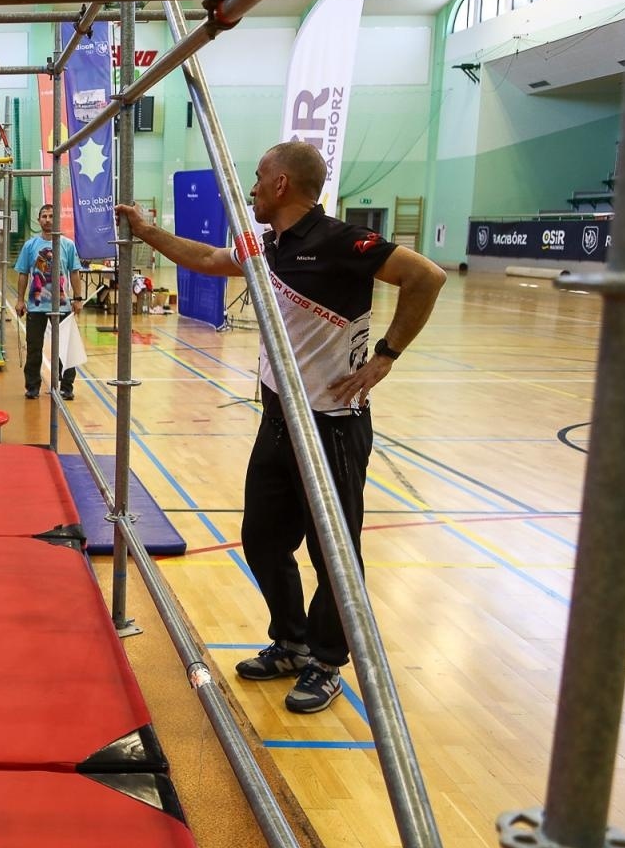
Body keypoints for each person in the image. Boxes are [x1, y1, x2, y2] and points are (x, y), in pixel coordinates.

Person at [115, 141, 447, 713]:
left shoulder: (342, 241)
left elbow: (427, 276)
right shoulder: (267, 246)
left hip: (333, 424)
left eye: (259, 176)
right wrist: (147, 232)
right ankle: (290, 642)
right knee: (264, 541)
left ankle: (326, 660)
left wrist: (386, 355)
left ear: (281, 185)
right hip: (278, 418)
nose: (251, 186)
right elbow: (210, 259)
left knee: (333, 552)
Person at [14, 205, 85, 402]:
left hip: (62, 305)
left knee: (66, 348)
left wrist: (77, 299)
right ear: (39, 220)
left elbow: (74, 272)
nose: (47, 219)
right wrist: (20, 300)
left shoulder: (68, 245)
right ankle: (33, 387)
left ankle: (66, 387)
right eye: (44, 216)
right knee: (34, 348)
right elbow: (22, 273)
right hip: (36, 306)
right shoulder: (30, 246)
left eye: (51, 216)